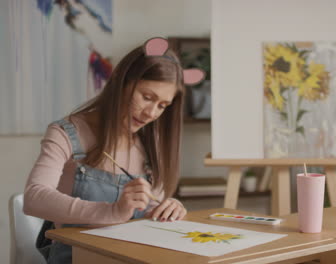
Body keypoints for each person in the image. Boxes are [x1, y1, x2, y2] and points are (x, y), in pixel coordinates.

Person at [23, 37, 205, 263]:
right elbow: (34, 198)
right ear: (120, 81)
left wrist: (168, 208)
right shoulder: (66, 133)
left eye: (162, 106)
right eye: (147, 97)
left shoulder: (150, 141)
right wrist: (112, 212)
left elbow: (148, 206)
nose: (151, 113)